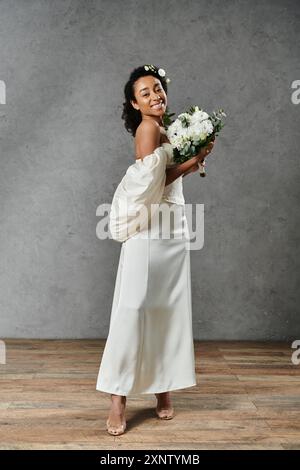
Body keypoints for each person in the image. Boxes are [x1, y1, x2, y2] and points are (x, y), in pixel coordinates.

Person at [96, 64, 214, 435]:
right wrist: (193, 162)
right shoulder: (148, 129)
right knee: (133, 308)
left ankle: (163, 388)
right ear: (134, 103)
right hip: (150, 228)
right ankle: (118, 398)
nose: (155, 95)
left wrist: (193, 158)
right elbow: (153, 181)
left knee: (167, 306)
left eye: (158, 88)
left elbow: (168, 176)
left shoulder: (165, 128)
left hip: (173, 226)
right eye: (145, 92)